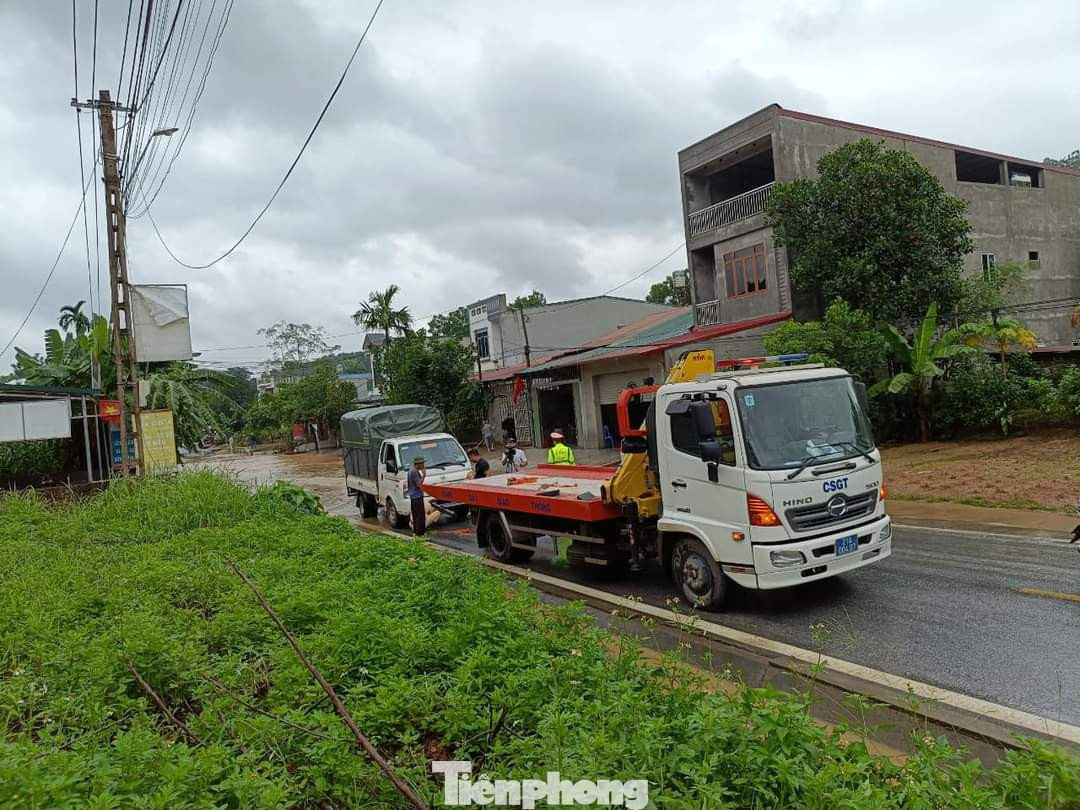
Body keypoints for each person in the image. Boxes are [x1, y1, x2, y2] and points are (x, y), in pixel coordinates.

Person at [407, 456, 427, 536]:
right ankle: (420, 534)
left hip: (413, 497)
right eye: (422, 464)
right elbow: (419, 484)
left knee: (416, 515)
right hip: (417, 496)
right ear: (418, 464)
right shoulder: (414, 472)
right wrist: (424, 476)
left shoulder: (410, 470)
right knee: (420, 516)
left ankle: (416, 532)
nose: (423, 466)